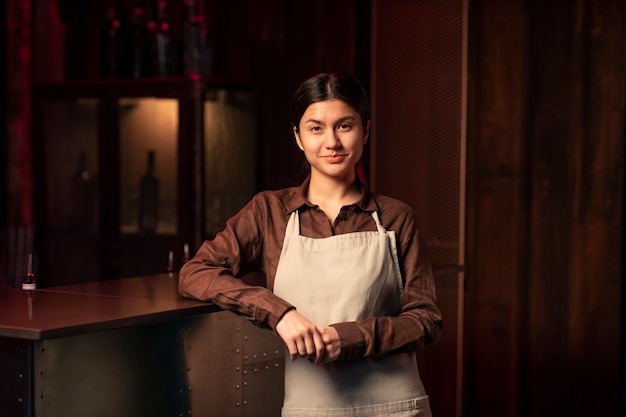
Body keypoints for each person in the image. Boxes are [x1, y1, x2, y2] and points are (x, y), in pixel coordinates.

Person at [179, 73, 442, 417]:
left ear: (365, 130)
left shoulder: (396, 216)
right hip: (311, 408)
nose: (331, 142)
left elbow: (426, 320)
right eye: (316, 128)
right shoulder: (268, 212)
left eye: (344, 126)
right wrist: (278, 311)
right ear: (298, 137)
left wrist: (349, 338)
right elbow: (195, 272)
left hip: (395, 407)